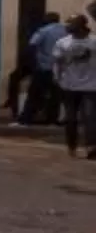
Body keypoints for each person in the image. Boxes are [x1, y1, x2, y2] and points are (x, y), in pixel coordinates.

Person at [55, 14, 96, 160]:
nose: (67, 26)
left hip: (91, 86)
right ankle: (71, 146)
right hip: (69, 86)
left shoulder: (93, 41)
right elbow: (58, 62)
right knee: (71, 119)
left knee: (90, 117)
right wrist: (57, 78)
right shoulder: (62, 43)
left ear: (81, 25)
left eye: (71, 23)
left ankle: (91, 147)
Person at [21, 11, 70, 126]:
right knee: (55, 95)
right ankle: (52, 120)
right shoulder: (66, 31)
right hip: (60, 69)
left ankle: (26, 120)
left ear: (46, 19)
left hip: (44, 67)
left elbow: (32, 45)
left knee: (34, 94)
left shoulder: (43, 31)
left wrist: (33, 63)